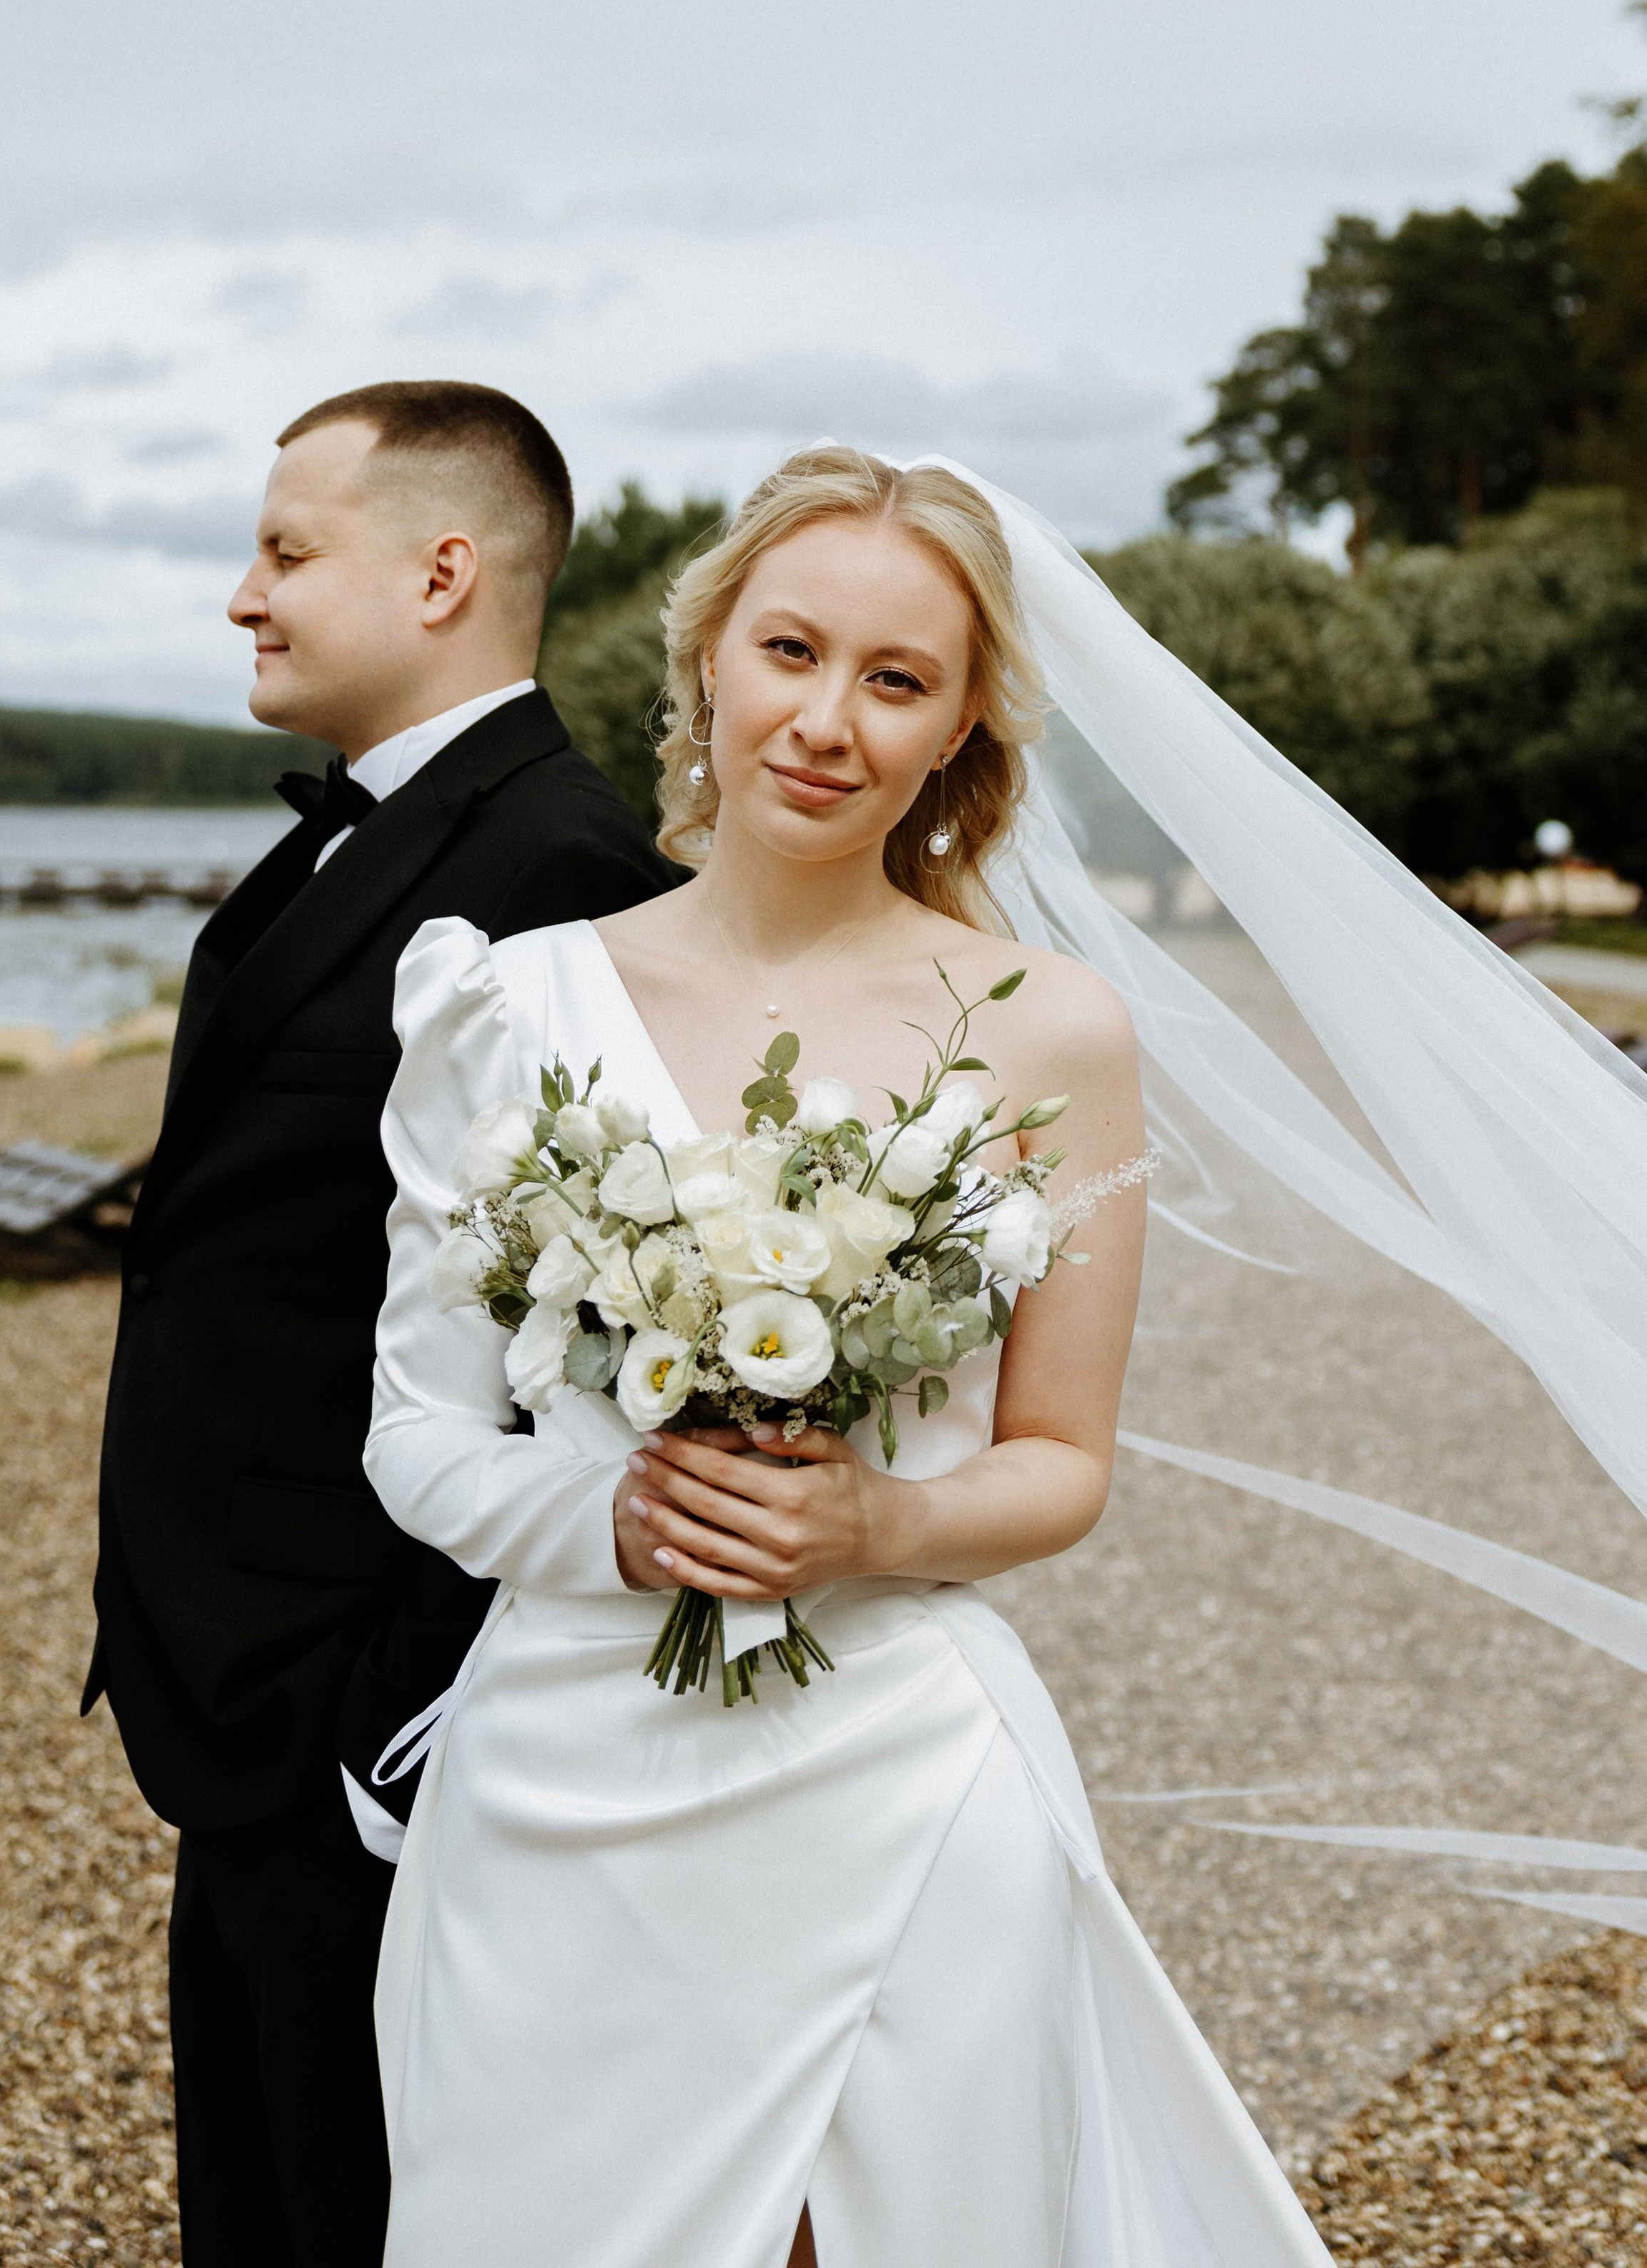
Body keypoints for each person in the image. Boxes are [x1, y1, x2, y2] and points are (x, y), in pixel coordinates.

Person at [363, 448, 1334, 2266]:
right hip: (562, 1781)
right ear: (707, 659)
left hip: (899, 1774)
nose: (825, 722)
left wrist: (867, 1529)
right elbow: (415, 1440)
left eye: (895, 682)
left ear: (962, 730)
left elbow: (1059, 1461)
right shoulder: (505, 1004)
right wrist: (619, 1524)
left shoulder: (1049, 1030)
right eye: (790, 651)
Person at [82, 381, 672, 2268]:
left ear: (440, 572)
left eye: (283, 550)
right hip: (227, 1685)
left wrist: (396, 1718)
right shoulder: (347, 847)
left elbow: (596, 1348)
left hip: (366, 1727)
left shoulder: (561, 866)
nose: (241, 597)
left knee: (372, 2216)